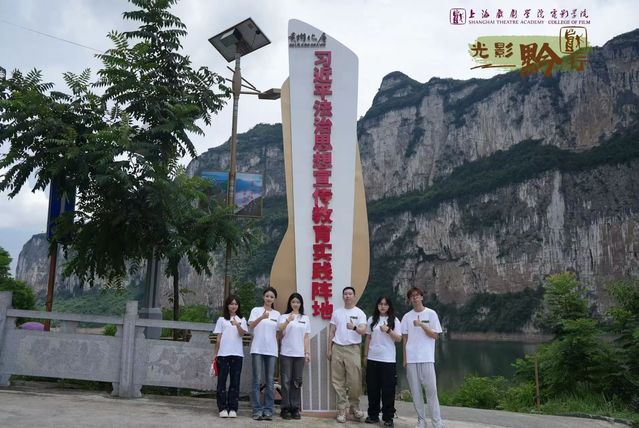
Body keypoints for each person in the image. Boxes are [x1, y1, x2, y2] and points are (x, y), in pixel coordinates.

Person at [401, 287, 444, 428]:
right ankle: (421, 421)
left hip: (426, 357)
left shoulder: (431, 314)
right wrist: (405, 359)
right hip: (412, 358)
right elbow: (405, 339)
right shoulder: (406, 317)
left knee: (431, 391)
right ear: (409, 299)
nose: (415, 298)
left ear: (422, 297)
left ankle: (437, 422)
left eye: (417, 295)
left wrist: (421, 325)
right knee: (416, 392)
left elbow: (435, 335)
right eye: (412, 296)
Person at [327, 286, 367, 423]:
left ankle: (354, 407)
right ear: (343, 296)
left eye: (350, 294)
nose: (347, 296)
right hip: (337, 347)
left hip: (353, 348)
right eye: (345, 294)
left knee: (355, 380)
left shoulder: (360, 313)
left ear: (354, 296)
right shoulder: (337, 313)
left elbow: (363, 330)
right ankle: (342, 409)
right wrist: (329, 349)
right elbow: (332, 332)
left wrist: (354, 327)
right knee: (338, 380)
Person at [364, 296, 401, 427]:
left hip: (388, 360)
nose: (383, 306)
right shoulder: (372, 320)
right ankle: (373, 415)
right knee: (372, 388)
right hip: (373, 358)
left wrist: (388, 330)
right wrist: (365, 355)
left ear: (389, 306)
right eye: (380, 304)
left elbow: (399, 339)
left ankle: (388, 417)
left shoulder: (394, 320)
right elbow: (368, 338)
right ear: (377, 306)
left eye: (385, 304)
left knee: (388, 390)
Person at [248, 286, 281, 420]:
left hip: (271, 350)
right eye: (267, 296)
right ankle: (257, 409)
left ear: (274, 299)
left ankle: (268, 409)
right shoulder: (256, 310)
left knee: (270, 381)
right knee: (256, 379)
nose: (269, 298)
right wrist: (261, 317)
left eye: (271, 297)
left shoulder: (277, 314)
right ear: (263, 297)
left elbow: (278, 332)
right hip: (257, 349)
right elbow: (251, 326)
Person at [213, 295, 248, 418]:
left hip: (237, 354)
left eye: (236, 304)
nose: (233, 306)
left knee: (235, 381)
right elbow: (218, 338)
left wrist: (237, 324)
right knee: (221, 382)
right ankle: (222, 407)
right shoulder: (221, 319)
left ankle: (233, 408)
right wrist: (215, 354)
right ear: (227, 305)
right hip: (223, 354)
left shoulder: (242, 319)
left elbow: (242, 334)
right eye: (231, 304)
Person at [278, 293, 311, 420]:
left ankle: (295, 408)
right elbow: (280, 331)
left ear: (301, 304)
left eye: (297, 302)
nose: (295, 304)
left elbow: (306, 337)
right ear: (290, 303)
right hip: (286, 353)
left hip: (299, 354)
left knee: (297, 382)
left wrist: (307, 353)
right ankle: (285, 408)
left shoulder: (305, 318)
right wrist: (288, 320)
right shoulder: (284, 316)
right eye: (293, 302)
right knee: (286, 381)